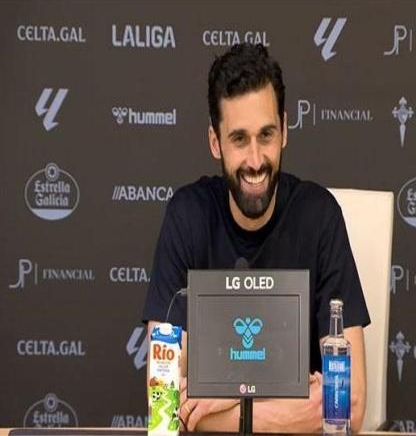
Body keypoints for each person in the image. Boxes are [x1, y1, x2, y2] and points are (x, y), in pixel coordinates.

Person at [143, 43, 370, 434]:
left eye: (266, 135)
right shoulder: (187, 216)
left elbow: (348, 405)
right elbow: (163, 402)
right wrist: (292, 409)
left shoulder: (320, 216)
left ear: (284, 130)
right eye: (238, 139)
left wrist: (221, 400)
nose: (254, 160)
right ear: (215, 142)